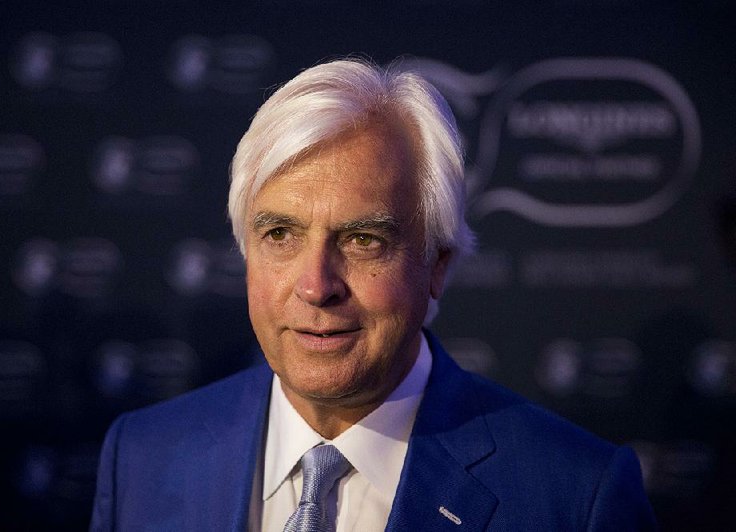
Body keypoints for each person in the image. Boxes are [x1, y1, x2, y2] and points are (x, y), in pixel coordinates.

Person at [90, 58, 656, 531]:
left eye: (363, 240)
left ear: (436, 264)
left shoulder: (576, 497)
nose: (316, 286)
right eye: (280, 235)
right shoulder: (142, 457)